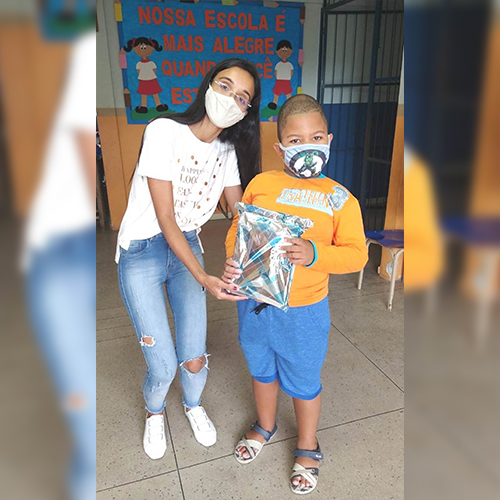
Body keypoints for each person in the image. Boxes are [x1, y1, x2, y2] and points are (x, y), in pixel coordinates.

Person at [223, 94, 368, 494]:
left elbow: (357, 255)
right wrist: (233, 257)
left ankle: (307, 444)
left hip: (304, 311)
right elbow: (239, 227)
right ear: (280, 147)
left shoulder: (341, 199)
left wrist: (315, 253)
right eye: (296, 139)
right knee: (260, 368)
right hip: (255, 302)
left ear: (329, 140)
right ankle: (265, 425)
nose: (308, 146)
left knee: (304, 379)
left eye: (316, 137)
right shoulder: (261, 184)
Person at [116, 58, 260, 460]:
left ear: (246, 112)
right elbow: (166, 218)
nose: (231, 99)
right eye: (225, 86)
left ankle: (193, 405)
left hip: (187, 249)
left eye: (243, 97)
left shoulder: (227, 151)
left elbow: (240, 212)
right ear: (209, 84)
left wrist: (267, 244)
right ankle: (154, 412)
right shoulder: (163, 130)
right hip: (141, 252)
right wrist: (204, 276)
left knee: (193, 357)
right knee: (163, 366)